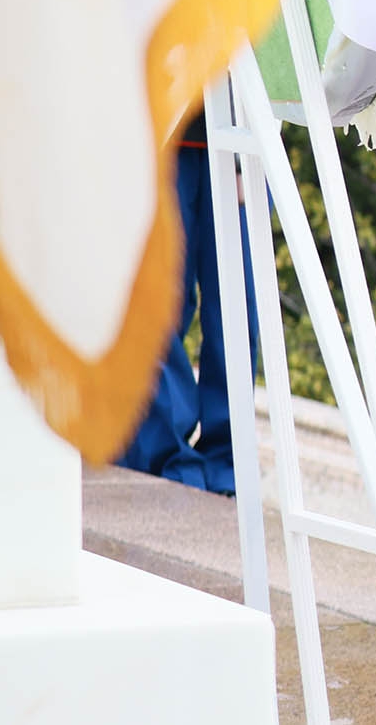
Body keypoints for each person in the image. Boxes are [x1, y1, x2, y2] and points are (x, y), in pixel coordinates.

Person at [116, 108, 257, 495]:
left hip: (237, 126)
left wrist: (252, 154)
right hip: (158, 126)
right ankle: (168, 459)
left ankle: (225, 464)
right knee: (162, 299)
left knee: (238, 305)